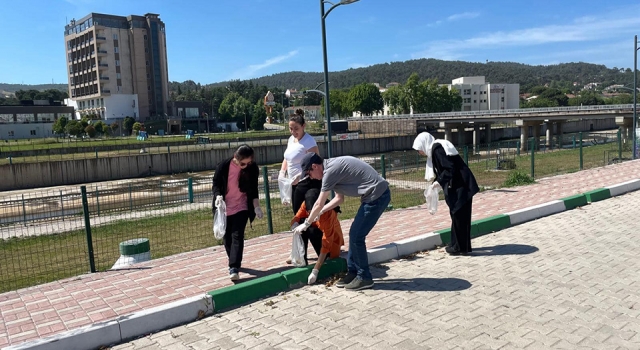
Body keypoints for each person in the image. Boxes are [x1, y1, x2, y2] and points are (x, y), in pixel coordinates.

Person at [293, 153, 390, 291]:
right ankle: (353, 272)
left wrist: (307, 223)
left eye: (309, 173)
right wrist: (319, 213)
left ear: (314, 166)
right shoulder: (331, 169)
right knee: (354, 234)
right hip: (372, 196)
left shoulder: (330, 172)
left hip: (377, 196)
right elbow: (339, 199)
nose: (311, 177)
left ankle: (365, 277)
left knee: (357, 236)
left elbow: (319, 203)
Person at [412, 132, 479, 255]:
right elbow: (444, 169)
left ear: (423, 144)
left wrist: (438, 182)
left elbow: (450, 168)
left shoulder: (437, 150)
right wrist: (435, 183)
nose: (419, 153)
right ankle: (460, 246)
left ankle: (459, 247)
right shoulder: (436, 149)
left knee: (459, 216)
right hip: (461, 185)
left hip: (462, 186)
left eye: (419, 150)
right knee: (459, 216)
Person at [212, 145, 263, 281]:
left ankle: (234, 267)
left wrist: (256, 207)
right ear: (236, 157)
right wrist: (218, 196)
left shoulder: (252, 168)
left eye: (248, 163)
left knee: (237, 235)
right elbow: (216, 183)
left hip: (242, 205)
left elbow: (254, 189)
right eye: (242, 163)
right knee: (227, 238)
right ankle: (233, 259)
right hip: (224, 206)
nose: (245, 166)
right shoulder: (223, 166)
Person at [290, 188, 344, 284]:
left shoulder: (328, 214)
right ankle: (301, 258)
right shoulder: (305, 205)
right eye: (309, 212)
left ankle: (325, 259)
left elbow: (326, 243)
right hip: (318, 231)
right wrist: (294, 224)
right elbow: (297, 217)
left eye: (314, 211)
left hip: (332, 241)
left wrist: (315, 270)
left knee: (312, 230)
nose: (311, 214)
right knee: (301, 226)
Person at [279, 109, 322, 214]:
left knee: (304, 211)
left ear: (303, 126)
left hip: (307, 181)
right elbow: (287, 158)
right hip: (293, 182)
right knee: (297, 211)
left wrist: (300, 175)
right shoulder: (291, 140)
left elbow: (316, 163)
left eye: (296, 129)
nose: (293, 132)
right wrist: (282, 172)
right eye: (291, 129)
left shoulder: (309, 141)